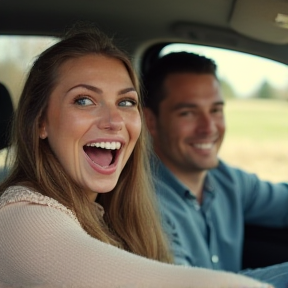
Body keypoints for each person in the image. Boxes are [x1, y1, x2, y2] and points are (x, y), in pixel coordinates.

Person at [0, 25, 271, 288]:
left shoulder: (118, 214)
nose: (115, 121)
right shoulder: (22, 220)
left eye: (126, 102)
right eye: (84, 100)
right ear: (40, 123)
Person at [143, 51, 288, 288]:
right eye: (188, 113)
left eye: (216, 110)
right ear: (151, 121)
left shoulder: (227, 179)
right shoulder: (143, 203)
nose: (209, 128)